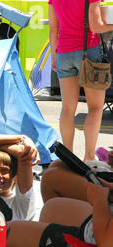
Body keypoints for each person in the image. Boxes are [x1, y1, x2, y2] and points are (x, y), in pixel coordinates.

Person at [49, 0, 113, 162]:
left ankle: (68, 158)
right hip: (88, 52)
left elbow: (53, 29)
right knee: (95, 107)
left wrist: (54, 55)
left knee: (68, 109)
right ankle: (89, 157)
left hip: (63, 52)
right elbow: (96, 27)